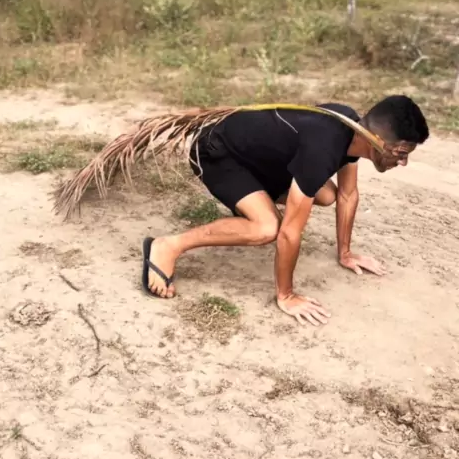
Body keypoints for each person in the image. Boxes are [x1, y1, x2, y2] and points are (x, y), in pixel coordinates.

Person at [141, 95, 429, 325]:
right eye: (401, 153)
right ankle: (168, 246)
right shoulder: (322, 149)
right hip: (217, 153)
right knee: (268, 228)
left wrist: (346, 253)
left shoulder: (351, 127)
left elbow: (347, 194)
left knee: (327, 194)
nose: (402, 162)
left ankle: (254, 203)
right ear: (376, 139)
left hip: (260, 162)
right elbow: (289, 234)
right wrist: (286, 295)